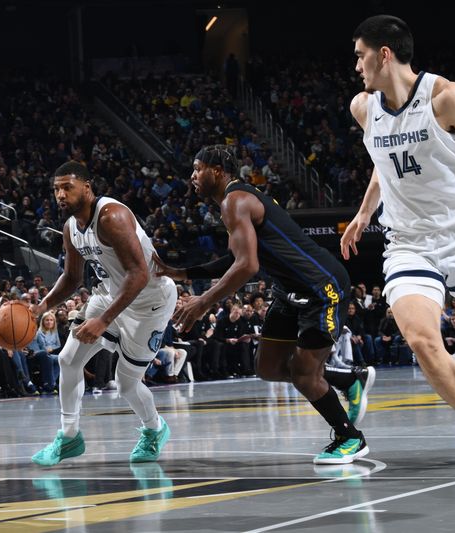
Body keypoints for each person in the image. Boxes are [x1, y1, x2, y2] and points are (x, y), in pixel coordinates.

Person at [341, 15, 455, 481]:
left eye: (360, 55)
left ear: (384, 53)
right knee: (423, 341)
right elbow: (381, 160)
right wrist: (365, 214)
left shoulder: (448, 98)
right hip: (411, 243)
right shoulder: (363, 108)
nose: (356, 66)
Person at [155, 145, 374, 463]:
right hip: (289, 291)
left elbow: (247, 266)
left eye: (197, 168)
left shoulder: (235, 200)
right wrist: (181, 272)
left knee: (303, 374)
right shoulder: (233, 203)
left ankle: (349, 437)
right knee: (268, 367)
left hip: (321, 288)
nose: (192, 175)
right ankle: (347, 379)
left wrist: (203, 301)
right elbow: (234, 258)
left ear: (217, 171)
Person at [30, 161, 177, 466]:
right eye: (56, 189)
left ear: (87, 186)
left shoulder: (112, 216)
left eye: (67, 187)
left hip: (149, 302)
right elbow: (72, 278)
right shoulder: (71, 227)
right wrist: (44, 304)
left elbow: (138, 275)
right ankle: (69, 437)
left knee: (126, 383)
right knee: (67, 359)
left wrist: (102, 320)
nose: (60, 194)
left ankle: (155, 429)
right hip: (111, 293)